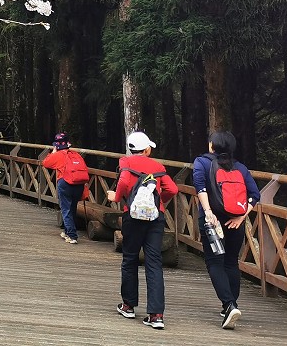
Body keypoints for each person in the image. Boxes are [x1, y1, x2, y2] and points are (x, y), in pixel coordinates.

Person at [107, 131, 179, 330]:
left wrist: (117, 197)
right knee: (154, 262)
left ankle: (128, 306)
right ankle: (156, 315)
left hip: (133, 215)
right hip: (155, 218)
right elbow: (172, 189)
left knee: (130, 258)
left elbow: (122, 182)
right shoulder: (157, 166)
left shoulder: (126, 163)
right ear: (147, 149)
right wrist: (159, 203)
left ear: (130, 149)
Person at [192, 131, 261, 330]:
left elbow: (200, 188)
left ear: (212, 146)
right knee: (231, 261)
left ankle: (228, 305)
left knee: (214, 262)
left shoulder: (202, 162)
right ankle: (232, 304)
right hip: (235, 221)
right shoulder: (240, 167)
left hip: (212, 220)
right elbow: (255, 195)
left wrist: (208, 213)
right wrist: (241, 216)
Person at [42, 132, 88, 244]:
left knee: (66, 210)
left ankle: (72, 236)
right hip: (79, 184)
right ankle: (67, 232)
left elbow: (46, 163)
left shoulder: (58, 155)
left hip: (65, 183)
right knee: (72, 208)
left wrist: (52, 152)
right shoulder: (76, 155)